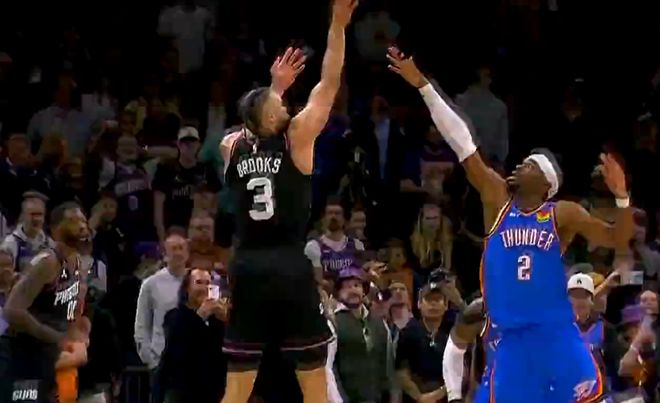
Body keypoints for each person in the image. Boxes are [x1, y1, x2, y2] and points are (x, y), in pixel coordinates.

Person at [387, 46, 634, 402]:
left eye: (529, 165)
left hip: (553, 331)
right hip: (511, 338)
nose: (518, 166)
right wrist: (423, 86)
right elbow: (462, 143)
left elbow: (616, 239)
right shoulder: (499, 201)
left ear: (546, 182)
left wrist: (622, 198)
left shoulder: (561, 213)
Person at [219, 1, 358, 401]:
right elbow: (329, 83)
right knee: (314, 382)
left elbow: (248, 125)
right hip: (288, 267)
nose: (286, 105)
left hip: (247, 267)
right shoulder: (297, 139)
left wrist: (273, 89)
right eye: (280, 104)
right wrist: (337, 24)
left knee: (237, 387)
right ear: (270, 119)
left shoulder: (232, 148)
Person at [1, 202, 89, 403]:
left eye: (83, 220)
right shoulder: (47, 261)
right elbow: (12, 310)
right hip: (22, 356)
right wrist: (54, 336)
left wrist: (79, 334)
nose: (81, 226)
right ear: (55, 230)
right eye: (73, 221)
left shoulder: (78, 264)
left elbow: (74, 312)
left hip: (50, 357)